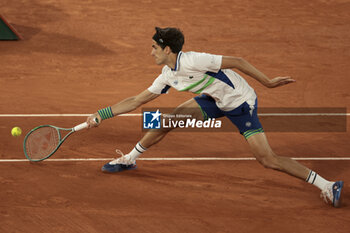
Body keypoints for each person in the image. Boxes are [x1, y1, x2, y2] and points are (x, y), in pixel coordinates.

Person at [87, 27, 343, 207]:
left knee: (267, 159)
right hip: (213, 99)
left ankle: (326, 185)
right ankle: (130, 158)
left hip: (240, 102)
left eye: (154, 47)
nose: (150, 52)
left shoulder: (195, 60)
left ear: (167, 49)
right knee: (168, 120)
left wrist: (267, 83)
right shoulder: (168, 74)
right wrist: (102, 114)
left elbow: (238, 61)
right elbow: (136, 100)